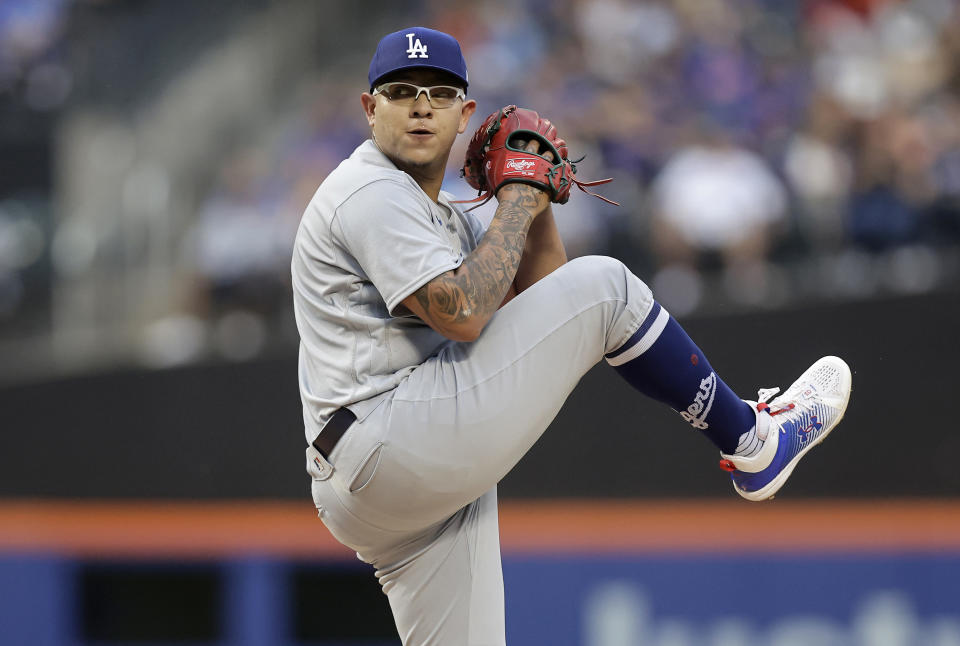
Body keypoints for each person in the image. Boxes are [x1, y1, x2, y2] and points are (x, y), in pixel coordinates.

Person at [291, 27, 852, 646]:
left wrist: (534, 202)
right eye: (401, 91)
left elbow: (546, 303)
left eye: (440, 92)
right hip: (386, 439)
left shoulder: (441, 213)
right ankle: (753, 440)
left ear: (464, 114)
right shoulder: (369, 189)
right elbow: (467, 313)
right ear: (371, 109)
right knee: (608, 284)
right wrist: (519, 192)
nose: (421, 104)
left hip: (385, 479)